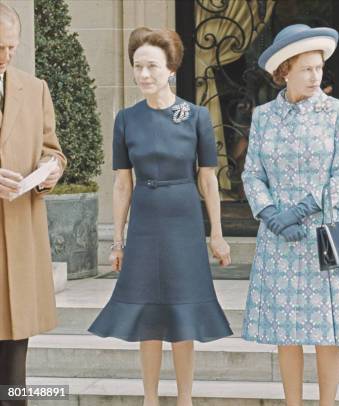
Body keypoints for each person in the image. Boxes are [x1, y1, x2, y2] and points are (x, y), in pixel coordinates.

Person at [88, 27, 233, 406]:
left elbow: (208, 179)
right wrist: (117, 241)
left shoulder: (196, 116)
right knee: (147, 317)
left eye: (152, 66)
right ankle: (150, 399)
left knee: (183, 313)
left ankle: (185, 398)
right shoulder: (125, 119)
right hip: (145, 225)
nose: (144, 74)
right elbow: (122, 185)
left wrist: (216, 233)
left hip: (184, 220)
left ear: (171, 69)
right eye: (138, 66)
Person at [241, 24, 339, 406]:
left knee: (327, 333)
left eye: (319, 68)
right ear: (284, 71)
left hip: (323, 233)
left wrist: (302, 209)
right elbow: (251, 173)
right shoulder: (264, 116)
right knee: (287, 332)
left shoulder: (338, 112)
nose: (316, 76)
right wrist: (270, 214)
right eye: (307, 69)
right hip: (279, 236)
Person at [0, 4, 66, 405]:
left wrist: (51, 169)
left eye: (11, 47)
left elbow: (52, 149)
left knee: (14, 362)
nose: (4, 56)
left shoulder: (35, 87)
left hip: (20, 236)